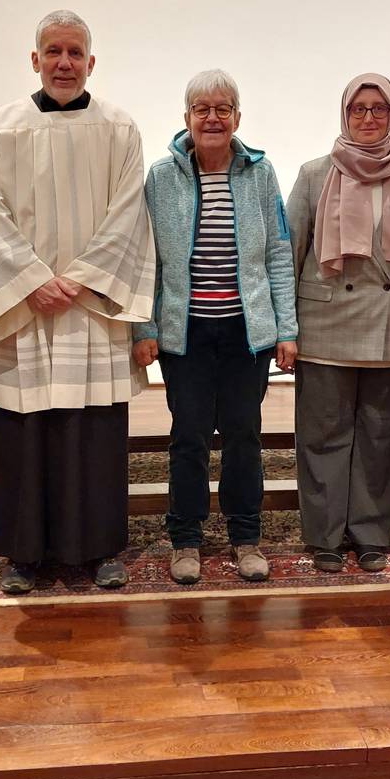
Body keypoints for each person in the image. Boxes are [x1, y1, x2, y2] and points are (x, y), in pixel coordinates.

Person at [0, 10, 155, 594]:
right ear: (35, 59)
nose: (64, 63)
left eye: (75, 52)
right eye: (54, 51)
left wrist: (77, 279)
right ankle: (24, 554)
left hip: (89, 309)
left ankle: (99, 550)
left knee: (93, 431)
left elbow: (129, 213)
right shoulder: (4, 125)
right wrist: (30, 279)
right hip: (28, 310)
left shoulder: (119, 128)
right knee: (25, 432)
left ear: (91, 62)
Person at [132, 69, 297, 585]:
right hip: (188, 334)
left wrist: (286, 328)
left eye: (222, 108)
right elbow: (146, 259)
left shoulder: (260, 172)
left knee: (245, 435)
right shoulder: (162, 176)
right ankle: (186, 538)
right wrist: (145, 328)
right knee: (189, 436)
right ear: (186, 118)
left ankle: (246, 536)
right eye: (202, 109)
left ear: (237, 118)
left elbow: (277, 251)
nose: (212, 117)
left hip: (247, 334)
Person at [286, 73, 390, 574]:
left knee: (381, 436)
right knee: (323, 434)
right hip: (326, 324)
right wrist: (286, 330)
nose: (369, 118)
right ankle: (325, 536)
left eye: (379, 109)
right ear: (345, 114)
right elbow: (290, 254)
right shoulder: (314, 174)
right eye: (359, 109)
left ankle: (371, 532)